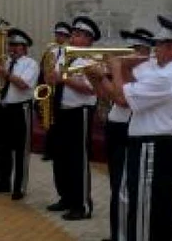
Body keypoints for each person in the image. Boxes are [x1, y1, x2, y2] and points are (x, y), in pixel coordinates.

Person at [86, 16, 172, 241]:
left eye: (159, 45)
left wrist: (115, 67)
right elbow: (131, 90)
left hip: (153, 147)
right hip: (157, 146)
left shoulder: (169, 76)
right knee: (156, 211)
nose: (155, 50)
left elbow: (123, 98)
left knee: (145, 212)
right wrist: (122, 69)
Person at [98, 28, 155, 241]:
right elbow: (106, 95)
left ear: (144, 52)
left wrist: (112, 71)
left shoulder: (148, 72)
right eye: (127, 49)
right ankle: (117, 234)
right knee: (116, 185)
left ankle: (125, 235)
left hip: (128, 131)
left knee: (124, 187)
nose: (126, 54)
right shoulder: (126, 68)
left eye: (132, 49)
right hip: (115, 127)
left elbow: (123, 100)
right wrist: (96, 76)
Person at [47, 16, 99, 221]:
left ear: (89, 39)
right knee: (60, 158)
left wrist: (63, 79)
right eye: (73, 34)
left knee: (78, 159)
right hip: (62, 110)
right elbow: (56, 79)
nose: (72, 38)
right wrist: (52, 79)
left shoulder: (92, 59)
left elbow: (90, 89)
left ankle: (83, 205)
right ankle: (66, 198)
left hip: (80, 111)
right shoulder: (64, 56)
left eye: (77, 35)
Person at [0, 28, 39, 200]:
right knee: (3, 148)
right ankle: (3, 182)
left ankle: (19, 187)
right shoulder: (5, 61)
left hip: (20, 109)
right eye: (10, 45)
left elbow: (23, 84)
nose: (12, 48)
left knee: (21, 149)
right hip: (3, 108)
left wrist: (5, 74)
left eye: (17, 46)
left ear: (25, 48)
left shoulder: (30, 63)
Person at [40, 22, 71, 161]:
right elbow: (44, 67)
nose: (59, 37)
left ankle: (58, 149)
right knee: (49, 119)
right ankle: (48, 149)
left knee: (58, 119)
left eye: (63, 35)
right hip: (49, 86)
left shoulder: (69, 51)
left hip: (61, 87)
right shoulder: (50, 50)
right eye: (58, 34)